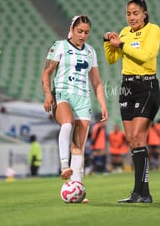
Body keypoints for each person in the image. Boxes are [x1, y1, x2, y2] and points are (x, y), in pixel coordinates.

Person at [41, 15, 108, 203]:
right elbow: (46, 73)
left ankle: (77, 186)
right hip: (62, 95)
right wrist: (48, 94)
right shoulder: (60, 46)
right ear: (72, 29)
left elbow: (96, 82)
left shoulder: (91, 52)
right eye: (80, 31)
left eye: (87, 32)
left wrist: (102, 104)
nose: (83, 35)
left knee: (78, 146)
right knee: (67, 123)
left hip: (83, 100)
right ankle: (64, 166)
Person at [104, 0, 160, 203]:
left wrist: (122, 44)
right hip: (127, 87)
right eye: (128, 13)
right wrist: (108, 43)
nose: (131, 17)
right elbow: (112, 59)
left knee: (138, 136)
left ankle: (143, 192)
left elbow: (147, 55)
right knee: (131, 140)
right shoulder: (124, 32)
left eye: (135, 13)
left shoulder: (153, 30)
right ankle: (140, 193)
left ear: (145, 13)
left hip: (147, 86)